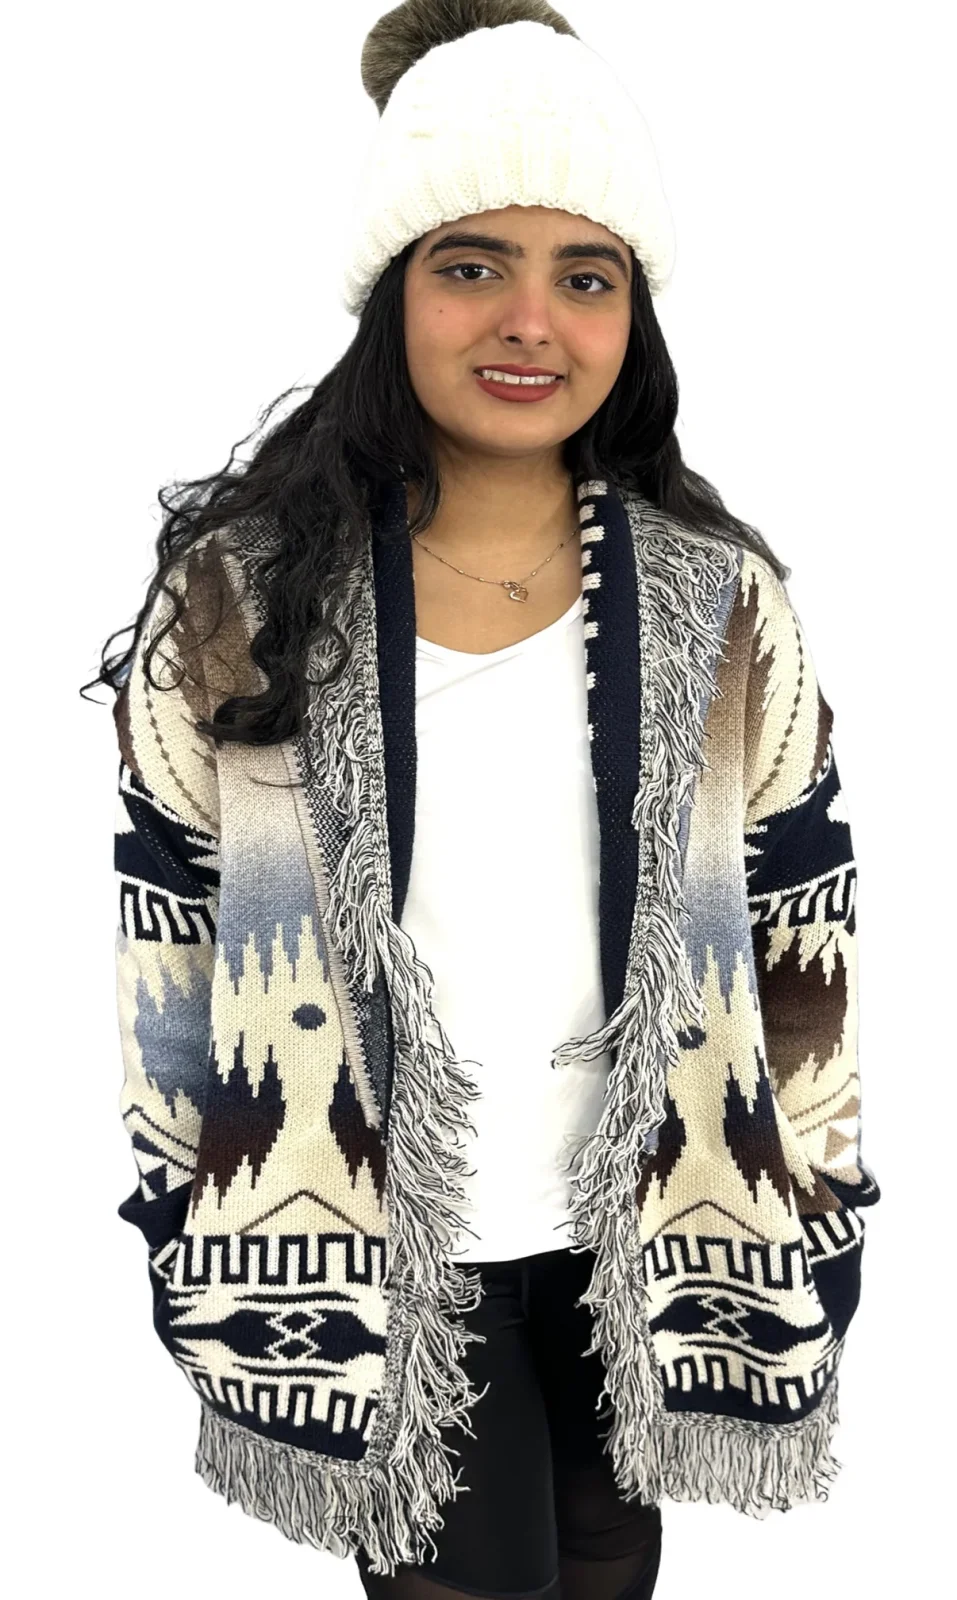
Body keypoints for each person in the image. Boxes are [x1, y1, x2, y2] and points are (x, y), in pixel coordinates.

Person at [89, 4, 880, 1597]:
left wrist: (821, 1195)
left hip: (649, 1236)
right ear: (392, 293)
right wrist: (187, 1211)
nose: (531, 321)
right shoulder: (241, 599)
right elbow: (170, 935)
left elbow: (806, 929)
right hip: (372, 1248)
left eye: (586, 276)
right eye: (473, 266)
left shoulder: (721, 604)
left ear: (633, 314)